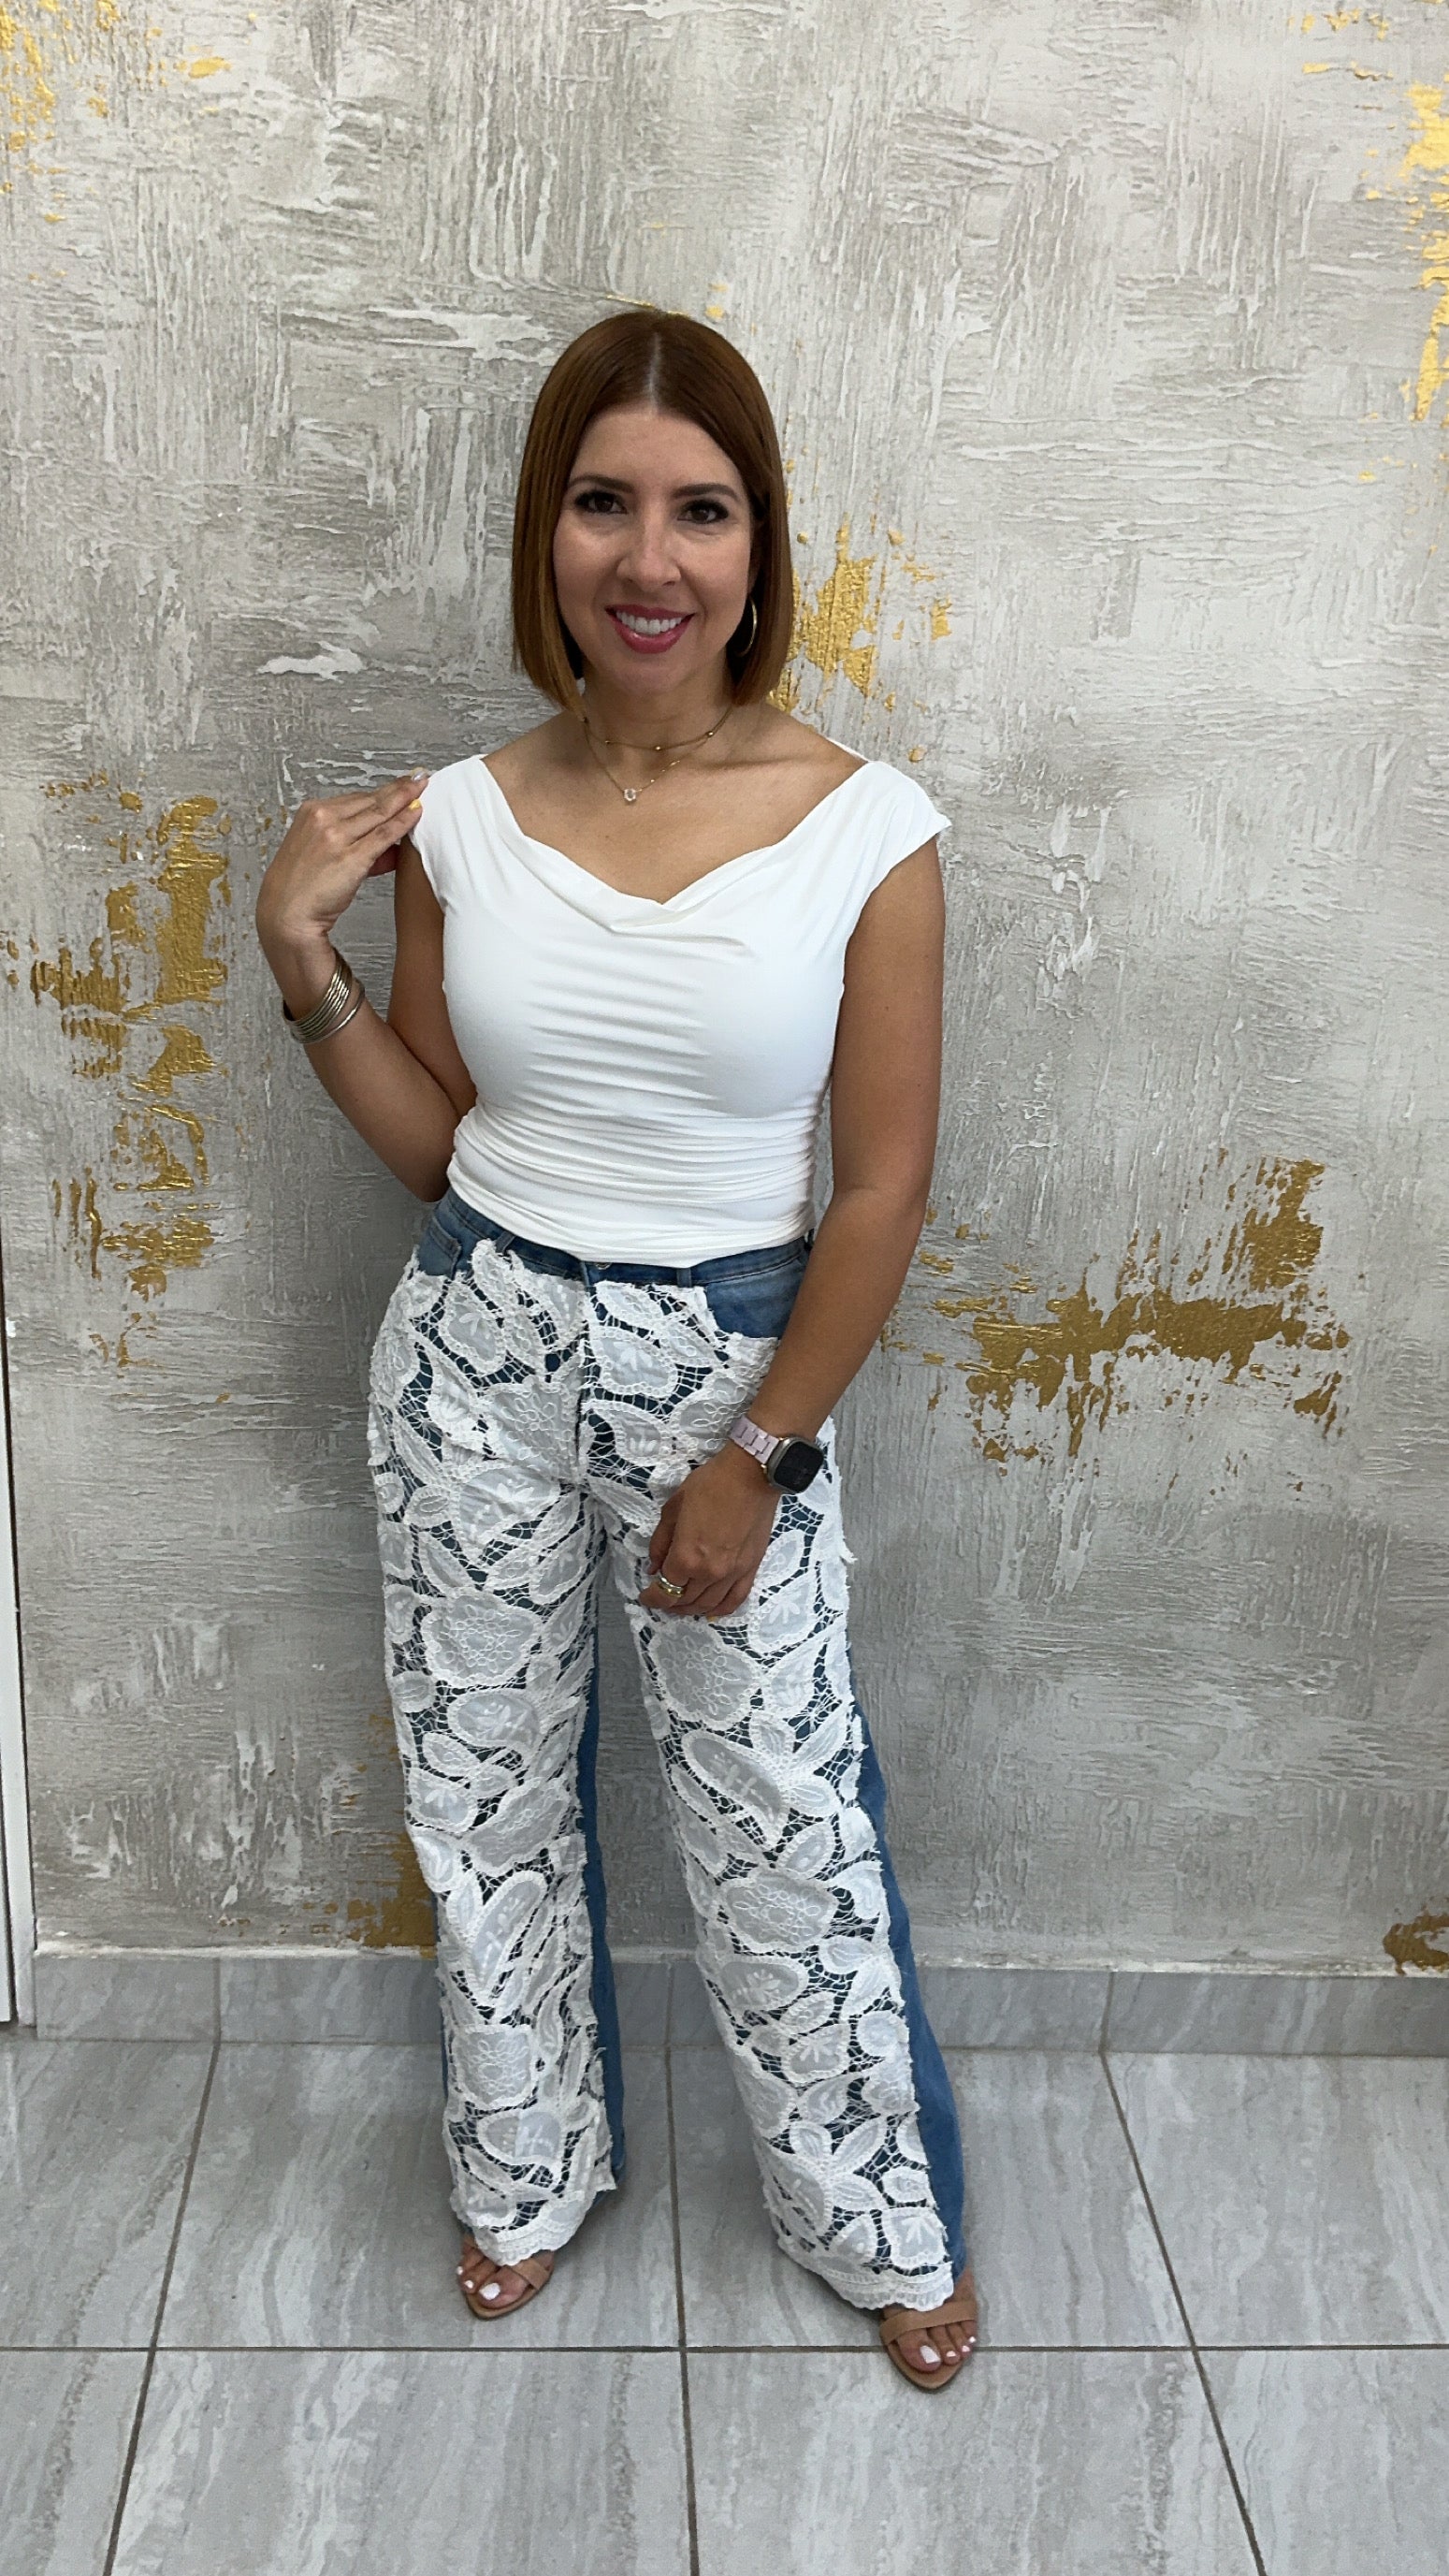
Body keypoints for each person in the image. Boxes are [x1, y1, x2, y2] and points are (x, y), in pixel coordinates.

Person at [254, 308, 978, 2393]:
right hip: (471, 1341)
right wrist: (300, 956)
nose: (646, 561)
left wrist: (761, 1451)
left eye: (698, 510)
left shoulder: (867, 830)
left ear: (757, 546)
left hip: (728, 1373)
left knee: (779, 1821)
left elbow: (878, 1191)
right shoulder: (460, 819)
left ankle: (874, 2219)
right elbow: (443, 1143)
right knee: (480, 1798)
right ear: (543, 531)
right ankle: (525, 2173)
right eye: (601, 504)